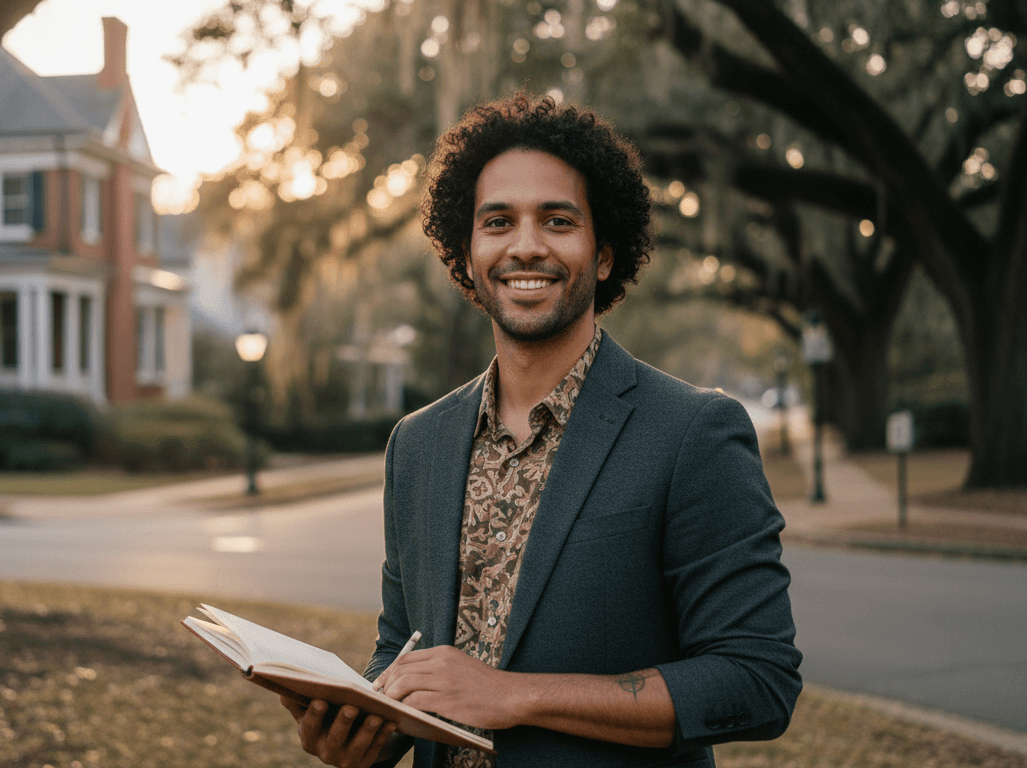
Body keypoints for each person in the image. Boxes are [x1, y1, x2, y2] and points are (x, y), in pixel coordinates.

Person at [280, 93, 802, 768]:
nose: (526, 245)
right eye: (498, 222)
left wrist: (513, 696)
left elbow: (756, 681)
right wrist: (365, 730)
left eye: (557, 221)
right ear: (467, 256)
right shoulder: (417, 444)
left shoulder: (693, 433)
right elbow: (402, 648)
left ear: (604, 253)